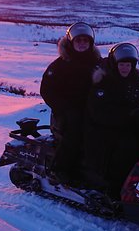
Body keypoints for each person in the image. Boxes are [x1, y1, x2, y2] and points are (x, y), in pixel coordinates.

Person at [84, 42, 139, 198]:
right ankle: (116, 192)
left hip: (138, 125)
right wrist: (128, 115)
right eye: (122, 64)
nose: (125, 68)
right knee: (127, 149)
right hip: (110, 128)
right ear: (115, 64)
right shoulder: (104, 83)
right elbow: (99, 111)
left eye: (128, 65)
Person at [40, 22, 102, 184]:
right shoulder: (60, 65)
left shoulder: (97, 63)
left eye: (85, 41)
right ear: (71, 42)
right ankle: (61, 169)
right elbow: (47, 91)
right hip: (65, 115)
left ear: (90, 43)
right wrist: (65, 109)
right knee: (76, 131)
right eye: (78, 40)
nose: (82, 44)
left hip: (93, 110)